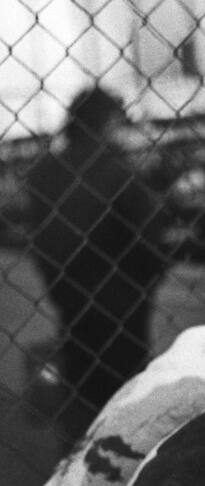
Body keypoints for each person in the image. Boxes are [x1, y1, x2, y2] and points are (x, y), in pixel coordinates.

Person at [25, 86, 172, 445]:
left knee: (82, 383)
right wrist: (151, 275)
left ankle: (80, 459)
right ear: (106, 121)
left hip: (71, 297)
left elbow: (40, 240)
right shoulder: (114, 171)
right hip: (122, 300)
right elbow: (149, 238)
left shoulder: (45, 173)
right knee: (125, 390)